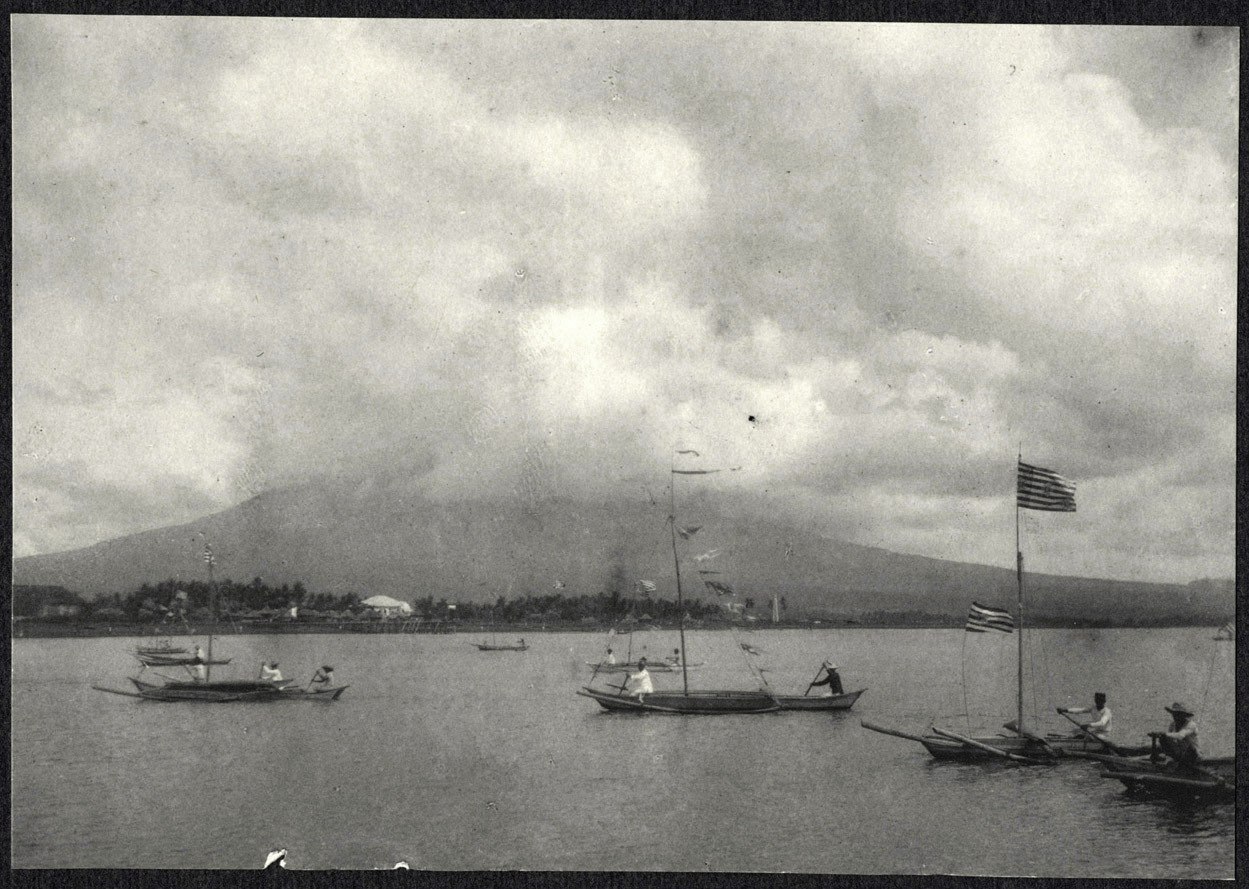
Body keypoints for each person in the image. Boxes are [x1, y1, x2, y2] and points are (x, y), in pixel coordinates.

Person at [1151, 702, 1199, 770]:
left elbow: (1180, 735)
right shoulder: (1172, 725)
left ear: (1184, 715)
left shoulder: (1191, 725)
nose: (1175, 716)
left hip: (1192, 754)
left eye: (1178, 714)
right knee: (1163, 738)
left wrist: (1164, 733)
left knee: (1165, 736)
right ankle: (1173, 761)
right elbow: (1170, 739)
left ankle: (1181, 764)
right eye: (1174, 714)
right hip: (1180, 752)